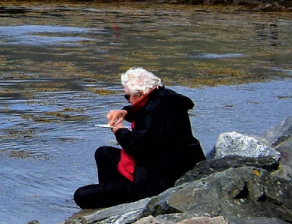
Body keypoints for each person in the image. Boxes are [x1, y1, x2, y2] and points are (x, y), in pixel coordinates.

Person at [73, 68, 206, 209]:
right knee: (103, 153)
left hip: (156, 180)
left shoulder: (155, 112)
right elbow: (144, 110)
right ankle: (113, 194)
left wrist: (120, 131)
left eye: (128, 97)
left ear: (141, 94)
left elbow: (138, 147)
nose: (128, 100)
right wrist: (125, 111)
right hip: (162, 164)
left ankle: (124, 198)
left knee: (81, 195)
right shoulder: (165, 96)